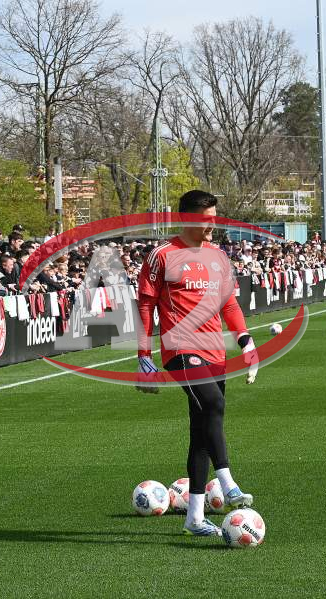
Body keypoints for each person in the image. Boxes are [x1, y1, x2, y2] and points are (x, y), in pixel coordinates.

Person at [135, 189, 258, 538]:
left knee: (201, 430)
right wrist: (143, 356)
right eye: (206, 219)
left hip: (214, 352)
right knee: (214, 404)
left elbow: (229, 304)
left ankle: (195, 517)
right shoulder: (162, 256)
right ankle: (228, 483)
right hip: (180, 349)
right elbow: (145, 306)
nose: (212, 225)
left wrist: (246, 341)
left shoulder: (218, 256)